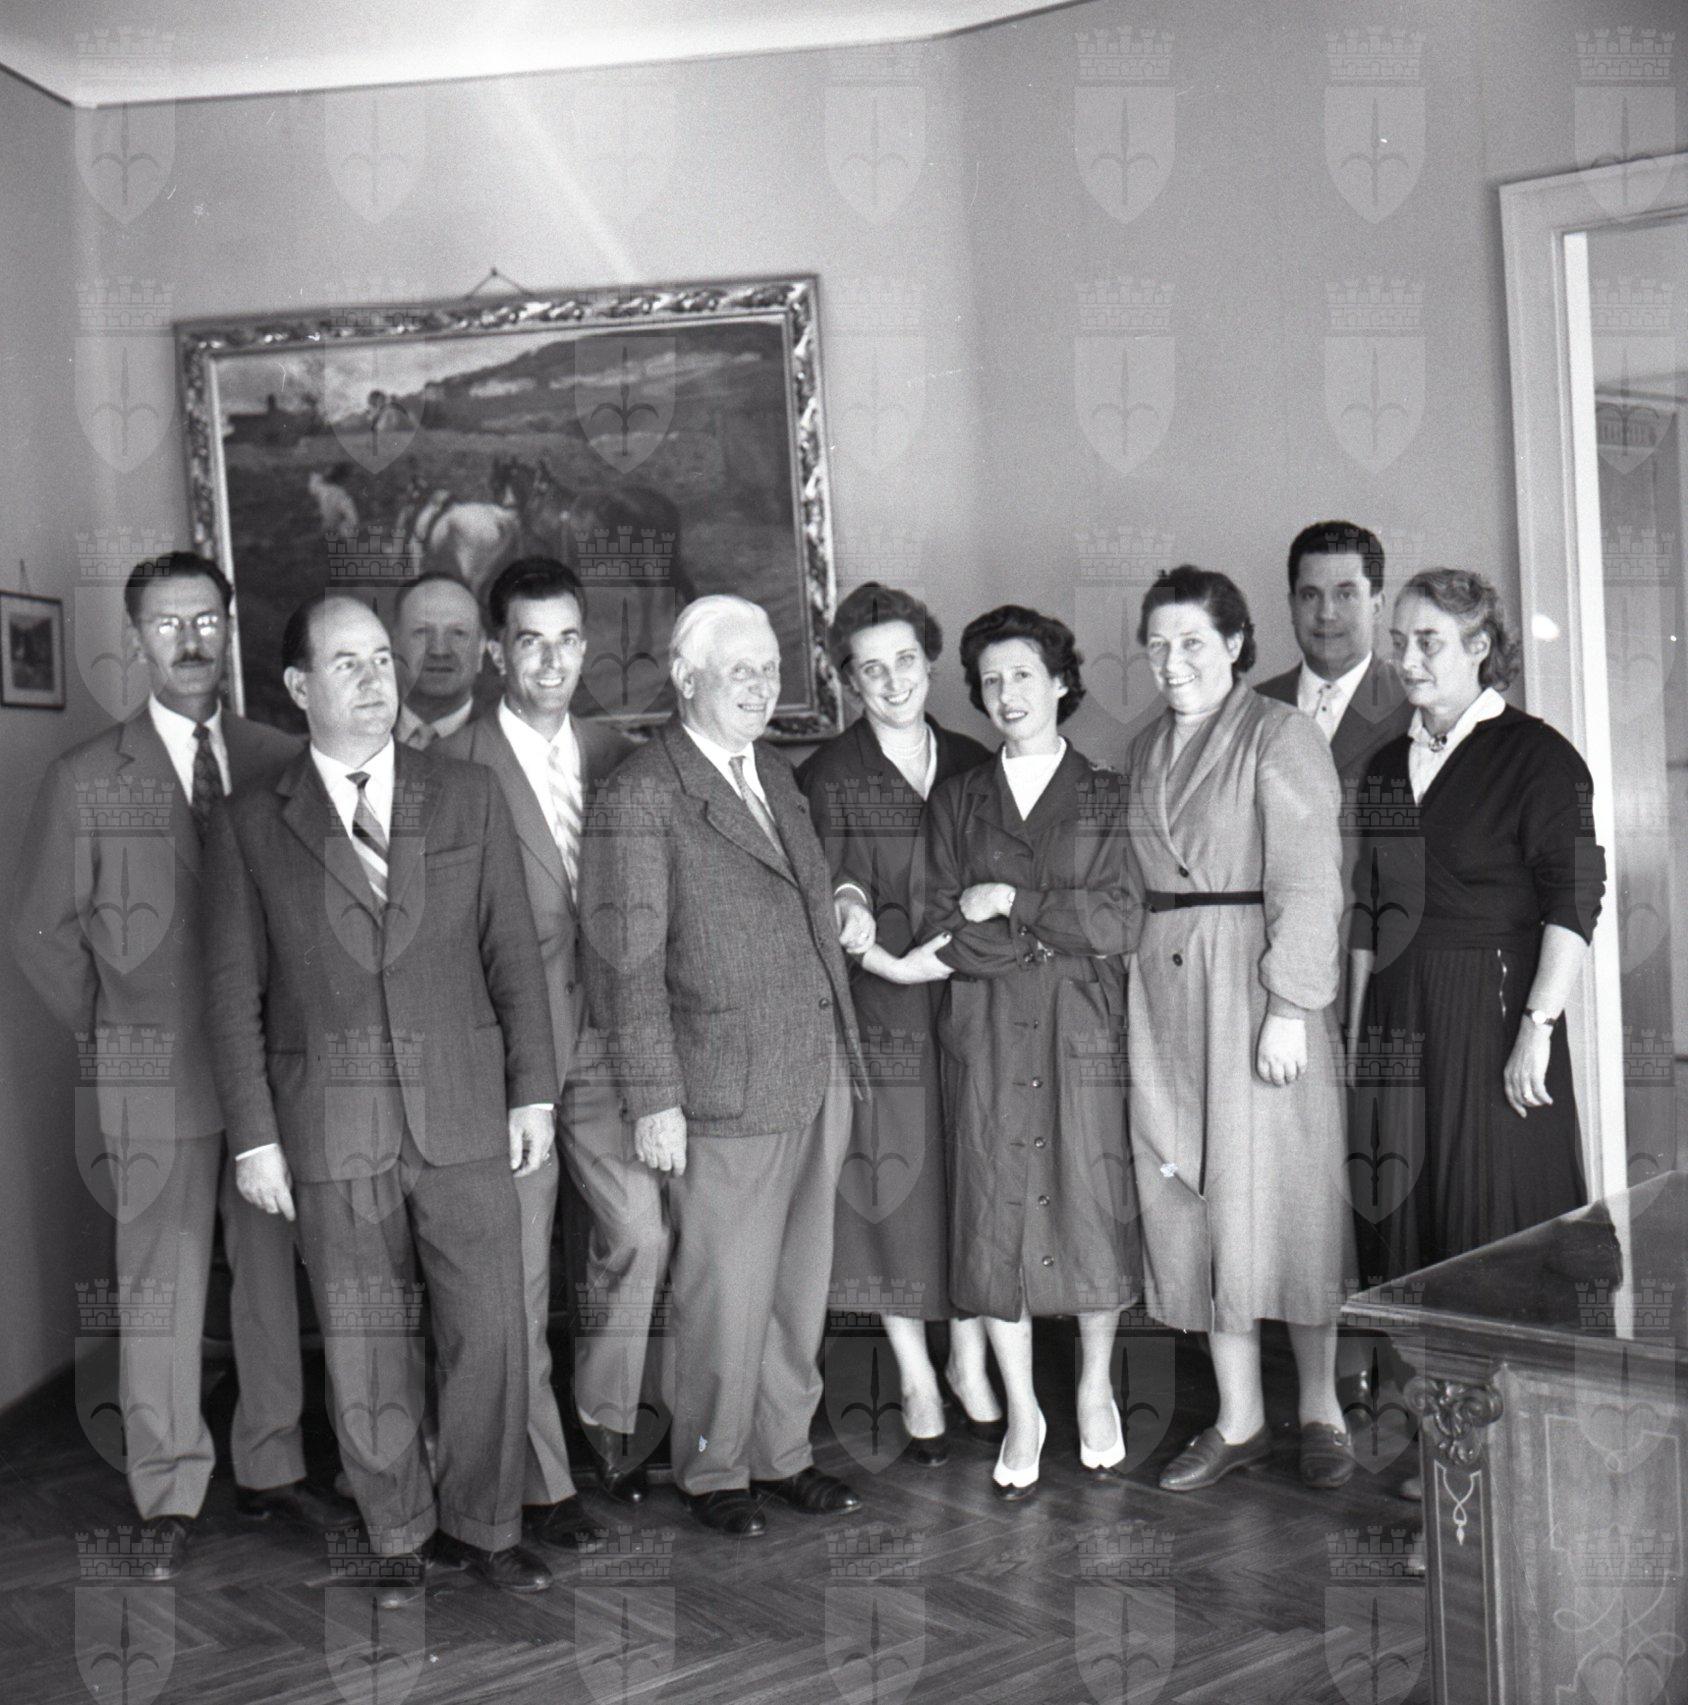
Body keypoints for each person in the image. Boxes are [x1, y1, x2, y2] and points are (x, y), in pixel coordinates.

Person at [204, 593, 559, 1606]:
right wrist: (254, 1140)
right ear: (297, 685)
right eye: (345, 663)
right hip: (328, 1122)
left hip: (465, 1108)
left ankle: (486, 1526)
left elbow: (512, 954)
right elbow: (232, 993)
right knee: (364, 1344)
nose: (373, 679)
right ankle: (396, 1531)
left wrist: (533, 1093)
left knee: (490, 1329)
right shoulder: (249, 821)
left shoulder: (467, 795)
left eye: (380, 659)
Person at [12, 552, 342, 1580]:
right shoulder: (86, 777)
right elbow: (42, 935)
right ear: (136, 637)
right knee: (159, 1287)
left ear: (228, 628)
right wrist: (118, 1034)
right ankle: (166, 1487)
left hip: (271, 1076)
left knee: (269, 1278)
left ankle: (273, 1465)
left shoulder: (281, 756)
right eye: (167, 624)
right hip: (152, 1081)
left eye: (205, 620)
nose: (190, 640)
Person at [578, 595, 869, 1538]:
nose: (761, 685)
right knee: (723, 1291)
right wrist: (655, 1100)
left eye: (770, 668)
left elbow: (800, 894)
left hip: (814, 1066)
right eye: (740, 670)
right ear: (685, 676)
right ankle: (714, 1469)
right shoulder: (641, 793)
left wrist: (848, 901)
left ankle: (782, 1454)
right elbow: (623, 965)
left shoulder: (774, 773)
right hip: (722, 1082)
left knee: (795, 1286)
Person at [1123, 566, 1356, 1493]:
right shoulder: (1144, 748)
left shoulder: (1279, 732)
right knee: (1196, 1197)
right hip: (1167, 996)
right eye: (1157, 644)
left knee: (1289, 1199)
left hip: (1258, 989)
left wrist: (1290, 1007)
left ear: (1233, 642)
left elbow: (1309, 878)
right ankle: (1239, 1416)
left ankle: (1322, 1410)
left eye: (1191, 641)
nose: (1172, 660)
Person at [440, 558, 660, 1518]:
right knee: (519, 1272)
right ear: (498, 651)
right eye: (530, 641)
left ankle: (606, 1420)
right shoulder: (450, 765)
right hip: (509, 1056)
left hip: (610, 1041)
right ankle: (541, 1474)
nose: (552, 660)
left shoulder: (623, 753)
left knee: (641, 1231)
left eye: (568, 639)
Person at [921, 605, 1139, 1500]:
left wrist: (1012, 899)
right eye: (991, 680)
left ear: (1061, 682)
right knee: (993, 1210)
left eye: (1023, 675)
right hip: (984, 1027)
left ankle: (1093, 1389)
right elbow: (942, 922)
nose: (1007, 694)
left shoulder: (1107, 793)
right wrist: (1048, 928)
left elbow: (1117, 919)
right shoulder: (958, 798)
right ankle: (1023, 1408)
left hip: (1080, 1025)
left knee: (1089, 1202)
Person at [1347, 568, 1606, 1284]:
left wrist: (1538, 1027)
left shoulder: (1540, 757)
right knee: (1403, 1226)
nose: (1407, 660)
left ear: (1479, 645)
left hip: (1492, 1018)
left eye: (1428, 642)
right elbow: (1370, 908)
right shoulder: (1385, 767)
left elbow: (1575, 899)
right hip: (1398, 1016)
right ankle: (1419, 1362)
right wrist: (1358, 1041)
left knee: (1492, 1218)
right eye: (1400, 641)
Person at [795, 584, 1002, 1465]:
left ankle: (968, 1359)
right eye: (870, 668)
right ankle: (916, 1374)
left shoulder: (973, 760)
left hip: (970, 999)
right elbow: (826, 889)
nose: (892, 681)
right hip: (880, 1004)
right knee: (897, 1189)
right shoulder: (827, 775)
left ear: (931, 660)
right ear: (848, 680)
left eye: (906, 660)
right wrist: (874, 944)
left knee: (972, 1177)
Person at [1255, 521, 1411, 783]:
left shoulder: (1412, 705)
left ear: (1376, 606)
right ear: (1292, 606)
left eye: (1345, 595)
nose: (1326, 614)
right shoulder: (1253, 707)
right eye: (1310, 596)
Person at [392, 573, 485, 747]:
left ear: (481, 648)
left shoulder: (511, 741)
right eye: (422, 632)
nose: (439, 650)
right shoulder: (354, 734)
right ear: (394, 644)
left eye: (458, 633)